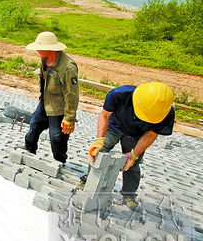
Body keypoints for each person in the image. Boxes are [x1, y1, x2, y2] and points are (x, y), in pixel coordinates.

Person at [84, 82, 175, 210]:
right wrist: (100, 140)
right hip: (114, 127)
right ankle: (87, 181)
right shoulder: (119, 94)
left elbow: (151, 134)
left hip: (138, 135)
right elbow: (104, 115)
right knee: (98, 154)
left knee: (132, 165)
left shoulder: (166, 112)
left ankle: (129, 196)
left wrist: (134, 154)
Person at [21, 31, 79, 164]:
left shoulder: (67, 67)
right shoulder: (44, 59)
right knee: (34, 125)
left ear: (50, 48)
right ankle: (29, 149)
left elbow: (72, 94)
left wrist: (69, 118)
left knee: (57, 137)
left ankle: (59, 161)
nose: (37, 50)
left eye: (39, 47)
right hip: (46, 100)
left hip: (59, 106)